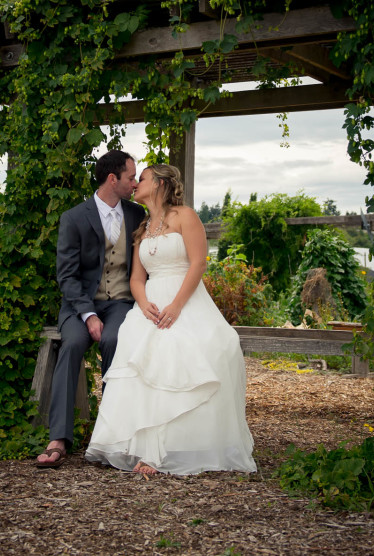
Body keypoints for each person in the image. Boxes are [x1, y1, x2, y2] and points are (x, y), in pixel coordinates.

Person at [85, 164, 257, 475]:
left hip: (185, 298)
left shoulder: (184, 216)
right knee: (139, 349)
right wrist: (144, 304)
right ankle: (143, 447)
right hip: (151, 304)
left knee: (211, 345)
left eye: (144, 178)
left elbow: (198, 263)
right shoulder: (143, 228)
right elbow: (137, 278)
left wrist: (177, 306)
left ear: (162, 183)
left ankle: (182, 444)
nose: (136, 183)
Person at [36, 150, 145, 468]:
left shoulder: (137, 215)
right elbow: (66, 276)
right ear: (113, 179)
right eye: (131, 177)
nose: (135, 183)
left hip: (121, 303)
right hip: (79, 305)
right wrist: (88, 314)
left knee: (114, 341)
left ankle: (112, 435)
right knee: (70, 345)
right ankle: (58, 438)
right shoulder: (73, 217)